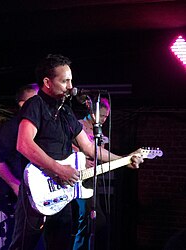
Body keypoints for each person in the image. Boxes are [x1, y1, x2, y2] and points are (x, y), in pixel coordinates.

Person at [9, 54, 143, 250]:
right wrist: (58, 169)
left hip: (61, 190)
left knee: (60, 243)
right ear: (47, 82)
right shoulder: (35, 105)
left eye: (71, 80)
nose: (71, 86)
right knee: (24, 245)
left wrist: (124, 159)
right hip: (36, 188)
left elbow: (89, 148)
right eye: (64, 81)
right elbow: (24, 144)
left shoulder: (66, 112)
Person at [0, 83, 39, 248]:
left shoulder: (38, 127)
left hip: (37, 193)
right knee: (22, 239)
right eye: (36, 100)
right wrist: (15, 185)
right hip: (18, 196)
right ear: (23, 104)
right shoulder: (11, 128)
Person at [72, 97, 110, 250]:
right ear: (91, 112)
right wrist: (81, 158)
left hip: (91, 178)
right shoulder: (78, 126)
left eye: (106, 116)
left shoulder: (99, 131)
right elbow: (67, 147)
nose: (103, 119)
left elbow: (97, 155)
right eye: (101, 115)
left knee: (92, 220)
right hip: (77, 176)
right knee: (90, 217)